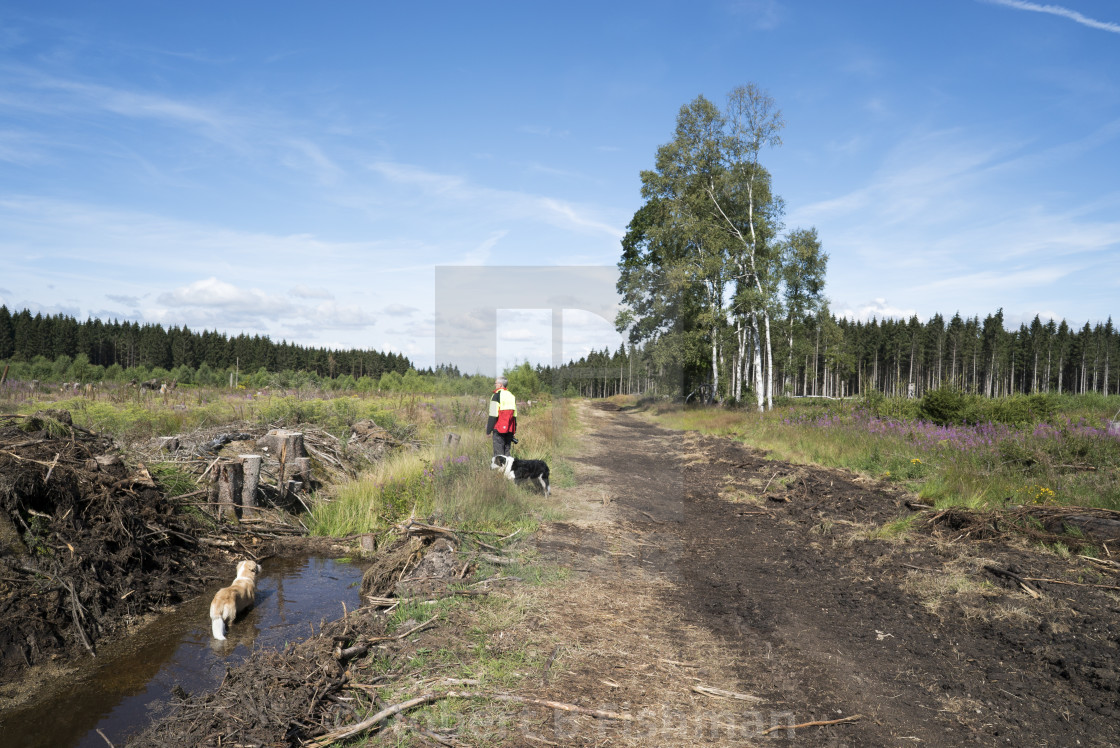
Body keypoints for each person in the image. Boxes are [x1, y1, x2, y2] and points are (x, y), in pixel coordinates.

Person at [486, 376, 517, 458]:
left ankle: (499, 470)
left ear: (500, 385)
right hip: (509, 429)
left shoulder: (496, 395)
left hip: (498, 429)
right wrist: (514, 430)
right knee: (507, 454)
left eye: (495, 383)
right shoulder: (511, 396)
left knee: (498, 455)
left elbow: (493, 414)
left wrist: (488, 430)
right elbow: (514, 415)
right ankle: (508, 470)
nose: (495, 385)